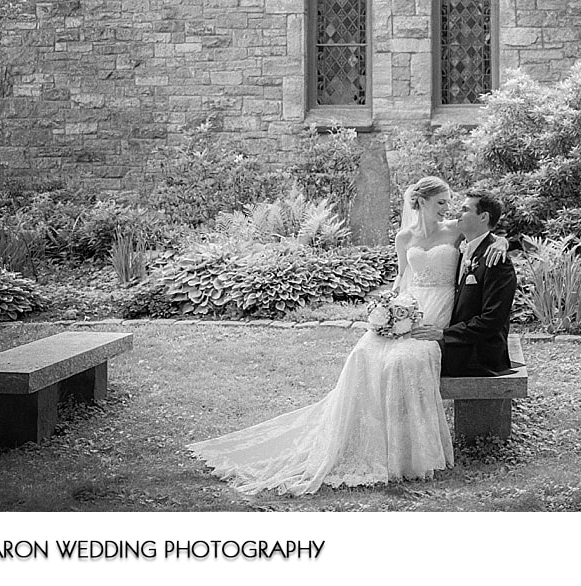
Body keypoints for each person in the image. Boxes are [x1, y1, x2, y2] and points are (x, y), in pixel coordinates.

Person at [186, 176, 508, 495]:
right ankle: (354, 438)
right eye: (441, 202)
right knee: (363, 355)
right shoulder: (403, 237)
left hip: (437, 313)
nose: (448, 209)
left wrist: (503, 242)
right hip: (408, 308)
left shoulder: (454, 231)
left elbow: (488, 235)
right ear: (421, 201)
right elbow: (400, 278)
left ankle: (403, 454)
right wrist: (388, 308)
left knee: (399, 362)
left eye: (452, 205)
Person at [410, 190, 518, 377]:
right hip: (459, 339)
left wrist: (444, 334)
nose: (457, 213)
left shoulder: (497, 261)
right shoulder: (465, 249)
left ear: (483, 217)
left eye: (465, 209)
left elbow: (492, 320)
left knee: (408, 360)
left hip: (477, 352)